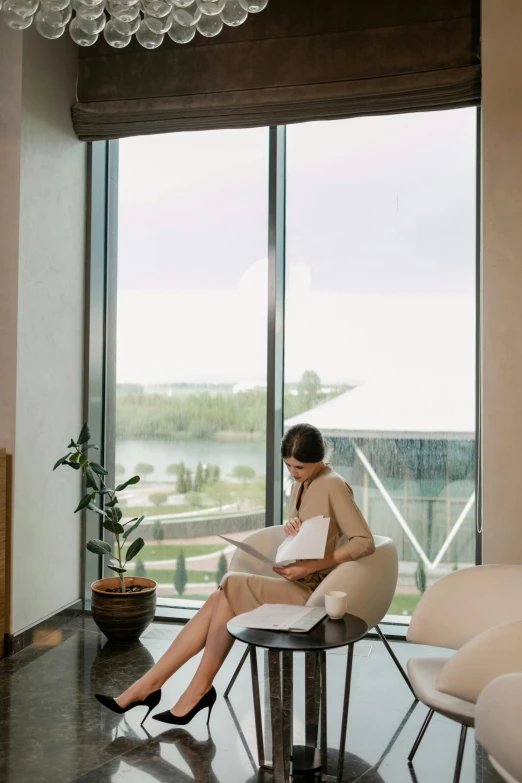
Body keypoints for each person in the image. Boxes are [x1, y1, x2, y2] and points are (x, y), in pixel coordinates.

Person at [95, 423, 375, 727]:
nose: (293, 472)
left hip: (314, 592)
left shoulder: (333, 484)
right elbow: (310, 524)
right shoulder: (302, 483)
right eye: (288, 466)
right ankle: (160, 687)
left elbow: (364, 542)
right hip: (292, 580)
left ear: (318, 459)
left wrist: (310, 566)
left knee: (227, 586)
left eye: (299, 466)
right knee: (220, 598)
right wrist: (292, 525)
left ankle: (173, 690)